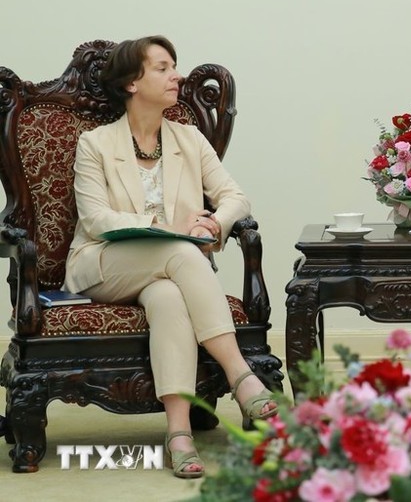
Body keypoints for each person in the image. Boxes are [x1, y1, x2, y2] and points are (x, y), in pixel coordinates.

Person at [64, 35, 277, 479]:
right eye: (162, 67)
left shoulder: (188, 138)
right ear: (130, 83)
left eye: (173, 66)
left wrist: (214, 225)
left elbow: (235, 196)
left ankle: (178, 434)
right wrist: (176, 231)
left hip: (168, 272)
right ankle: (241, 376)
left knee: (167, 298)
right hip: (104, 263)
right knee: (180, 251)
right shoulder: (95, 144)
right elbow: (97, 218)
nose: (175, 75)